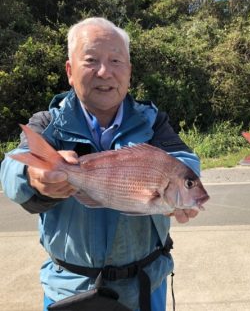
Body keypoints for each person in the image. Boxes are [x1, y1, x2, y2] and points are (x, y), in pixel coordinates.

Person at [0, 17, 201, 311]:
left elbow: (184, 160)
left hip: (144, 287)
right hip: (69, 288)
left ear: (129, 71)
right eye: (91, 60)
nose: (105, 72)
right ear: (70, 71)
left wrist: (181, 184)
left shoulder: (153, 122)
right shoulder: (49, 124)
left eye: (116, 60)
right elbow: (11, 168)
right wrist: (31, 177)